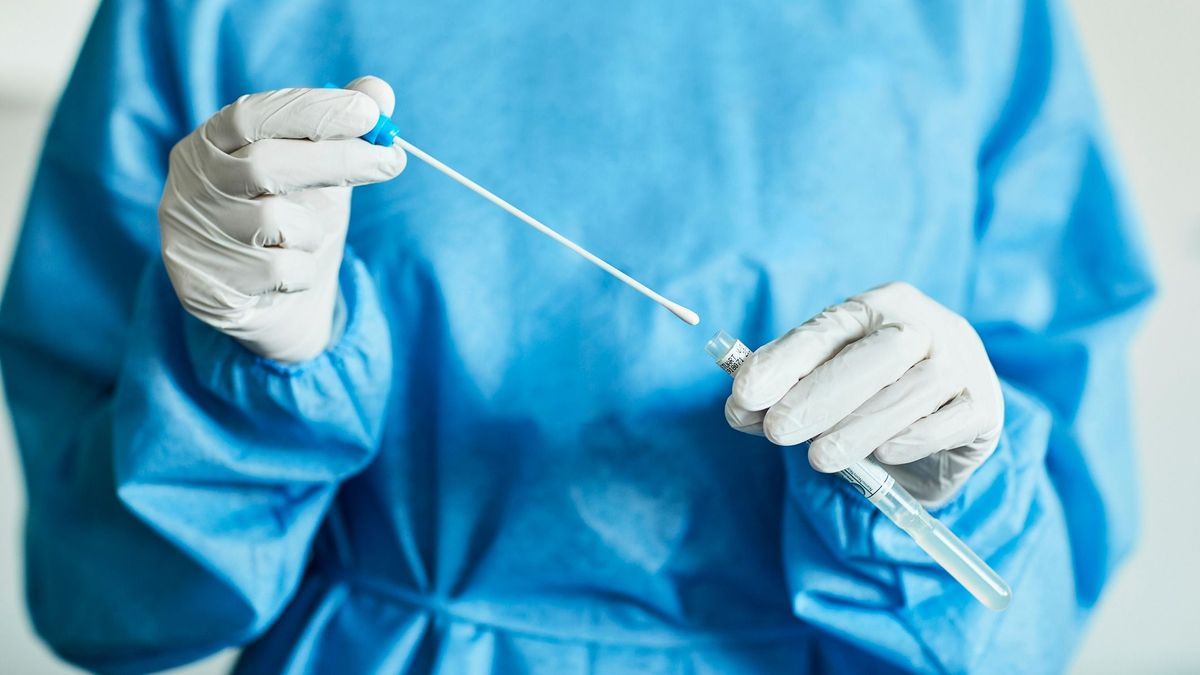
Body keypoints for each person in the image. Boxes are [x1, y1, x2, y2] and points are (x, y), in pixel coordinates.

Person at [0, 0, 1154, 673]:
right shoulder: (209, 15)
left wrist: (943, 485)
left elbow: (1023, 620)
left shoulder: (977, 23)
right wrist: (251, 366)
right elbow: (107, 599)